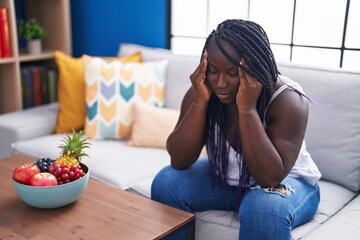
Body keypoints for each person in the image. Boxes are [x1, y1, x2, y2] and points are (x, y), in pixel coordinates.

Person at [151, 19, 321, 240]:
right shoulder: (204, 90)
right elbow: (179, 160)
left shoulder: (288, 99)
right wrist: (200, 103)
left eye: (233, 73)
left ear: (254, 69)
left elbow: (270, 177)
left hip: (289, 181)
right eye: (213, 70)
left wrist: (248, 109)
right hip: (228, 179)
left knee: (262, 207)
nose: (221, 83)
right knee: (166, 183)